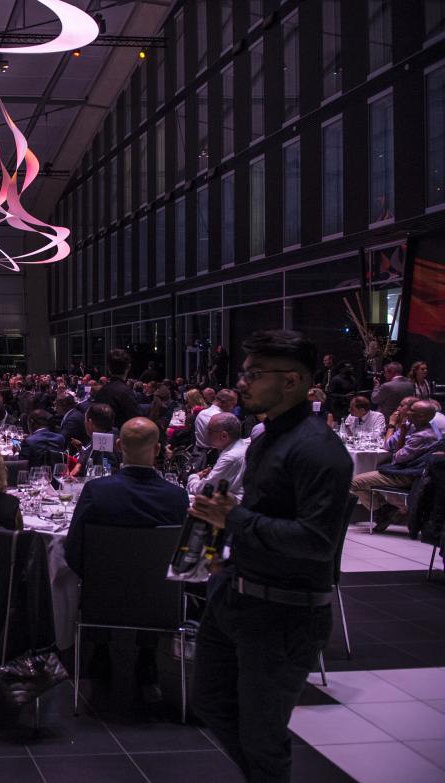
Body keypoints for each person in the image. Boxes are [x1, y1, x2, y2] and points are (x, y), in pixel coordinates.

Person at [189, 330, 353, 783]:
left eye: (255, 374)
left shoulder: (319, 450)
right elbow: (257, 515)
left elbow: (317, 541)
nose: (243, 382)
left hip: (284, 612)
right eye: (245, 372)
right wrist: (219, 551)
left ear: (293, 381)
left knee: (263, 736)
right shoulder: (265, 439)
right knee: (210, 704)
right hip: (236, 596)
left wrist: (234, 518)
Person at [64, 417, 187, 702]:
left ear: (118, 446)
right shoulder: (177, 497)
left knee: (107, 573)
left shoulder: (97, 491)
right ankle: (147, 655)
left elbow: (73, 549)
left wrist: (92, 578)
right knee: (155, 576)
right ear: (157, 449)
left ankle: (101, 649)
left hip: (102, 598)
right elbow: (182, 555)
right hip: (160, 600)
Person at [350, 400, 442, 532]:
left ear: (421, 416)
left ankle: (385, 512)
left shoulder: (422, 435)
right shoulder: (421, 427)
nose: (407, 412)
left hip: (409, 475)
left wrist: (400, 430)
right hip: (411, 470)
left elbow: (397, 458)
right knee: (372, 473)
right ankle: (391, 510)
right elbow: (392, 449)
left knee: (354, 482)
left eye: (412, 410)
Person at [185, 413, 249, 500]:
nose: (207, 434)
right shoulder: (246, 444)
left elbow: (203, 491)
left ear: (224, 435)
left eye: (210, 431)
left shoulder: (230, 457)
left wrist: (193, 477)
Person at [94, 348, 140, 428]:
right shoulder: (126, 392)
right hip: (121, 438)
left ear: (108, 368)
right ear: (128, 367)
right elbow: (136, 422)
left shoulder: (101, 391)